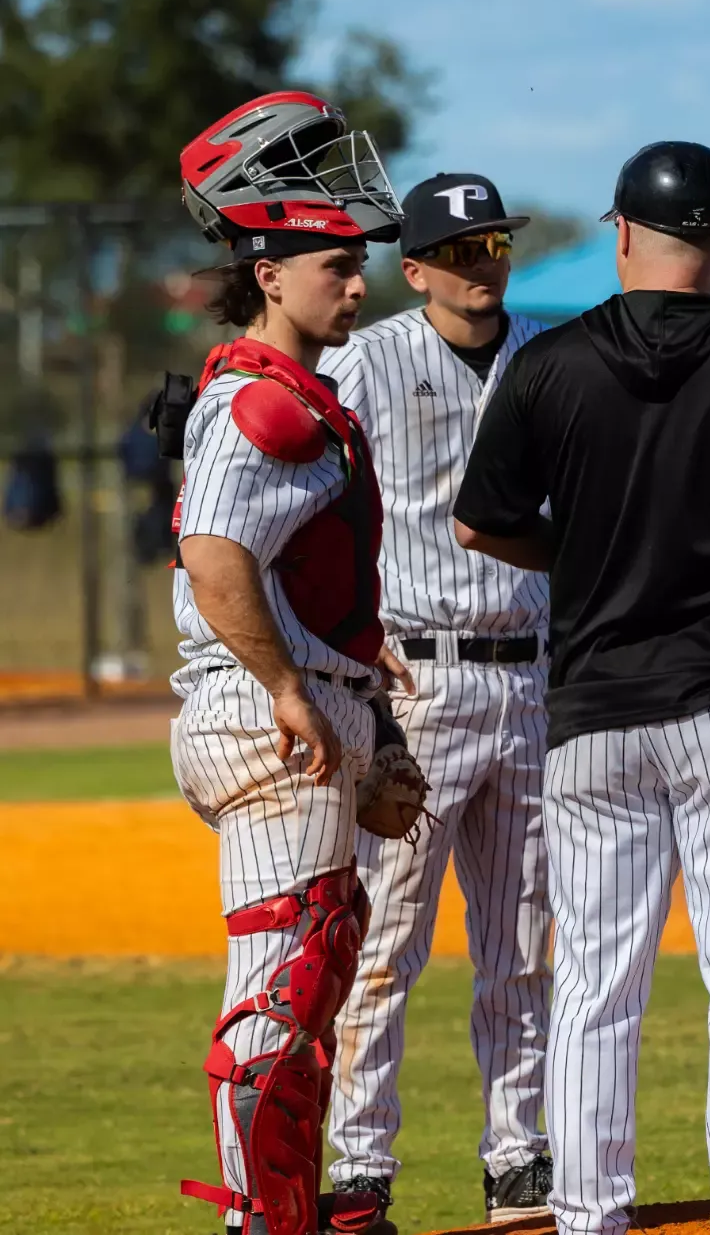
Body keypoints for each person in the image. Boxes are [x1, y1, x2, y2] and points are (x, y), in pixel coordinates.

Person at [452, 141, 710, 1235]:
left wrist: (581, 554)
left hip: (595, 708)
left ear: (625, 233)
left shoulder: (547, 364)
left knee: (597, 980)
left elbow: (479, 522)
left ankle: (588, 1214)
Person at [168, 90, 404, 1235]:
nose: (356, 285)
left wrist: (365, 707)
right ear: (269, 274)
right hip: (264, 721)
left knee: (315, 975)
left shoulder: (299, 396)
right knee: (282, 991)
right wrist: (288, 687)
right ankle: (263, 1222)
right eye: (334, 268)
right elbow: (214, 557)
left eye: (357, 266)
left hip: (300, 713)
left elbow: (299, 580)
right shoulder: (260, 403)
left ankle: (290, 1212)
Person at [321, 173, 556, 1227]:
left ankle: (519, 1156)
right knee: (386, 941)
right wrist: (347, 636)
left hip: (532, 677)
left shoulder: (547, 357)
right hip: (417, 681)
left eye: (492, 244)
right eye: (459, 251)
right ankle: (361, 1163)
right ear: (413, 270)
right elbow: (311, 495)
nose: (480, 265)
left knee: (524, 944)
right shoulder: (366, 361)